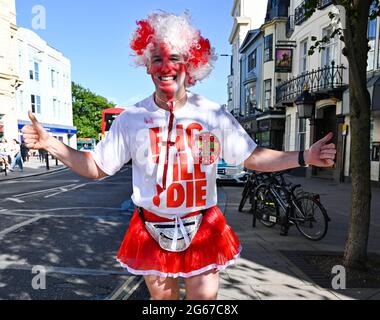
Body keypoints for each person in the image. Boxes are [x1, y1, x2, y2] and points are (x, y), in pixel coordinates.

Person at [21, 12, 336, 300]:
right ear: (147, 65)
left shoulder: (213, 115)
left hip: (203, 226)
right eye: (157, 58)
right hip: (150, 228)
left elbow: (252, 157)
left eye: (175, 58)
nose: (166, 67)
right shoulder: (131, 119)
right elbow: (95, 167)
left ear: (191, 65)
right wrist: (51, 144)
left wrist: (305, 156)